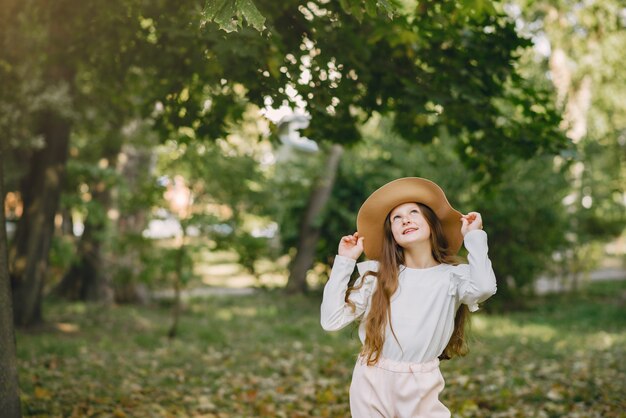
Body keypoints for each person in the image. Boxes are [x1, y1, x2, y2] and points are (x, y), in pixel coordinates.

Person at [320, 177, 497, 417]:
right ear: (392, 234)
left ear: (432, 224)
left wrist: (474, 238)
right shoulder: (378, 277)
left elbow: (484, 288)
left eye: (414, 212)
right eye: (397, 218)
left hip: (422, 384)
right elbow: (331, 320)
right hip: (371, 380)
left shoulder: (452, 277)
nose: (406, 219)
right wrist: (344, 262)